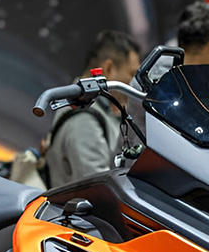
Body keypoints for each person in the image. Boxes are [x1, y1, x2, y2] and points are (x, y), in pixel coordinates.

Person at [44, 30, 142, 188]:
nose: (133, 83)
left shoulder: (98, 110)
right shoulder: (84, 120)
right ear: (109, 68)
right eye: (131, 74)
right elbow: (99, 190)